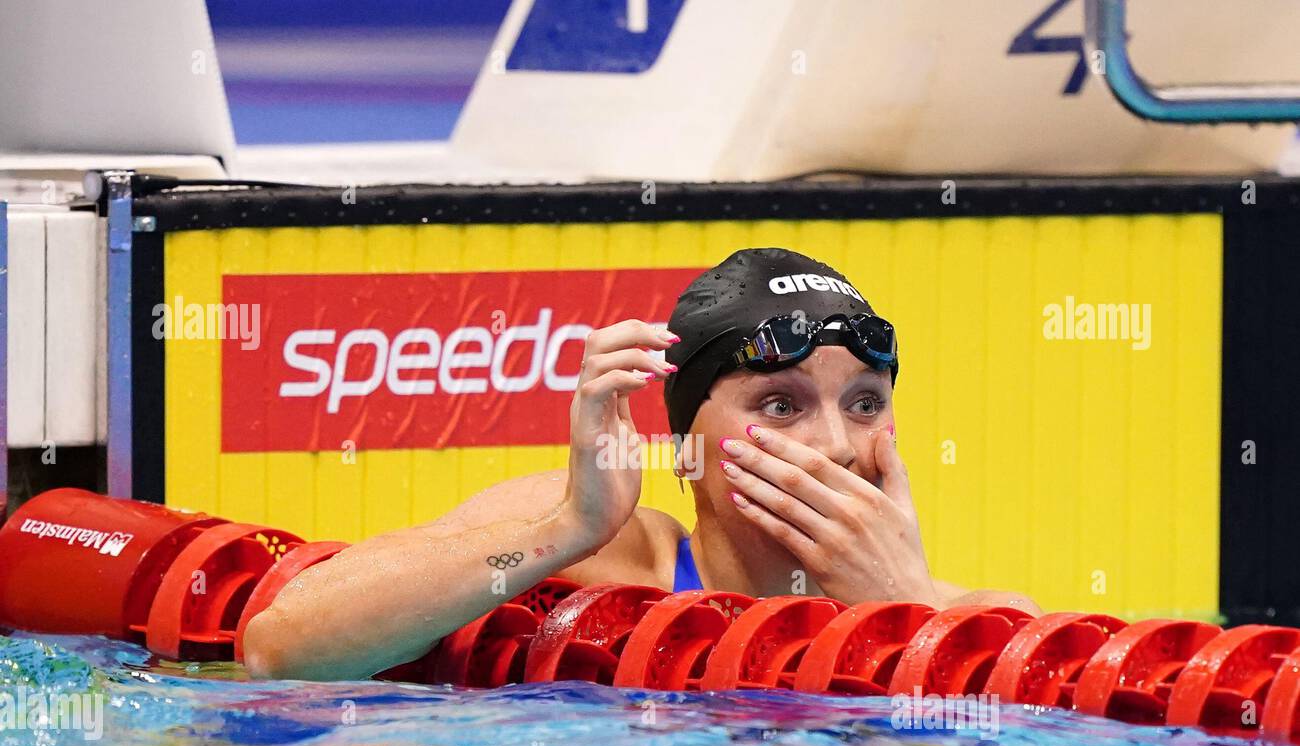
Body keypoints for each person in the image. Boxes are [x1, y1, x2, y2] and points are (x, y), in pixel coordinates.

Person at [244, 248, 1041, 680]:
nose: (836, 446)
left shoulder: (985, 621)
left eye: (865, 403)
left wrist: (900, 614)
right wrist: (571, 525)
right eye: (781, 405)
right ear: (686, 452)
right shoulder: (618, 549)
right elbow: (284, 648)